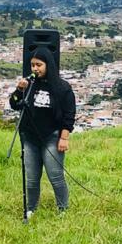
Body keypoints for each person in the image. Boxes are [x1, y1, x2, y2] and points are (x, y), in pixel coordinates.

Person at [9, 46, 76, 218]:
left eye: (39, 65)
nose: (35, 69)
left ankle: (63, 209)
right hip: (30, 137)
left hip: (51, 137)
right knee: (31, 178)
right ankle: (31, 209)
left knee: (55, 175)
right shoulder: (29, 85)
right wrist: (18, 90)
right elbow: (15, 104)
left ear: (48, 65)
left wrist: (64, 137)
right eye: (32, 65)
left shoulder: (62, 88)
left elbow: (69, 115)